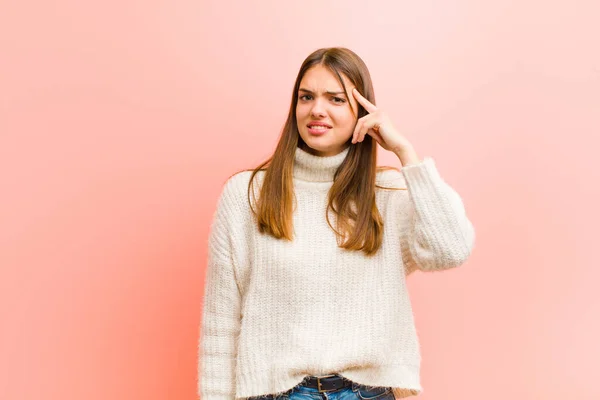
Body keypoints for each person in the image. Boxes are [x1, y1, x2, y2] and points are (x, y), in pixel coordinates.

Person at [197, 47, 475, 400]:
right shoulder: (247, 194)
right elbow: (221, 324)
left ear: (362, 111)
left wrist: (406, 153)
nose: (317, 109)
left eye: (336, 99)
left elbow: (451, 249)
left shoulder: (387, 194)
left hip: (371, 392)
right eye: (306, 97)